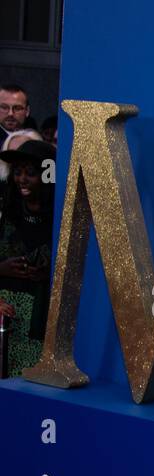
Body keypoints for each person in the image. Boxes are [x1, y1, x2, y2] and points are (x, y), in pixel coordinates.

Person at [0, 139, 55, 377]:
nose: (22, 179)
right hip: (5, 315)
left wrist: (49, 273)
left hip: (43, 321)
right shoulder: (6, 211)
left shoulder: (61, 218)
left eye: (31, 173)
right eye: (18, 172)